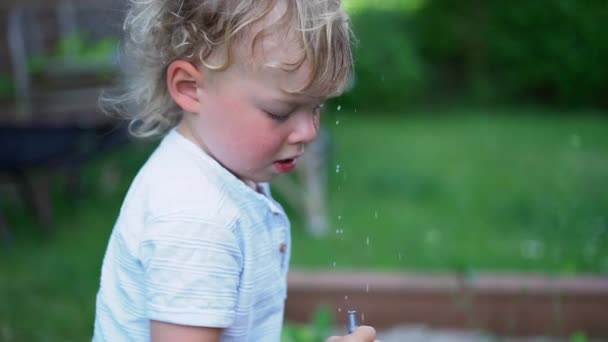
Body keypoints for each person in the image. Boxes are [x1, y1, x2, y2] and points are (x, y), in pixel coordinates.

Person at [93, 0, 376, 341]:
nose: (309, 132)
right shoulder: (196, 220)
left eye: (316, 107)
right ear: (189, 88)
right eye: (279, 112)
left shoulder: (224, 169)